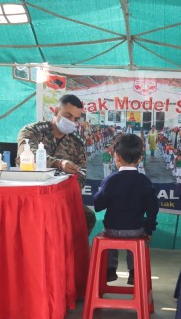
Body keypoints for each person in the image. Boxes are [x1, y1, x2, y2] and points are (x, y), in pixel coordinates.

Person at [17, 94, 96, 233]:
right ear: (56, 111)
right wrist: (59, 164)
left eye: (76, 119)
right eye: (68, 116)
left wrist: (63, 194)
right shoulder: (32, 131)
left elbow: (81, 175)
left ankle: (70, 247)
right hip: (31, 195)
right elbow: (27, 155)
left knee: (87, 217)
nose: (72, 121)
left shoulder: (77, 143)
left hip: (60, 196)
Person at [93, 134, 159, 286]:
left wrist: (99, 192)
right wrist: (149, 230)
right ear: (140, 158)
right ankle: (134, 272)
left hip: (112, 229)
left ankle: (110, 269)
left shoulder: (110, 180)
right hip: (136, 229)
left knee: (109, 241)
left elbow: (98, 205)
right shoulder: (144, 181)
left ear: (116, 156)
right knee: (135, 240)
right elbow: (153, 209)